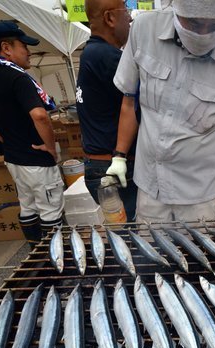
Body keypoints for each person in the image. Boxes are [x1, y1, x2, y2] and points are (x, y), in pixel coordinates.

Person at [106, 0, 215, 222]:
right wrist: (120, 156)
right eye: (194, 23)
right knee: (152, 252)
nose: (203, 34)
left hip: (199, 195)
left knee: (195, 256)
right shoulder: (144, 30)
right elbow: (130, 100)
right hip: (151, 184)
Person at [0, 21, 64, 248]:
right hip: (36, 158)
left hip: (14, 158)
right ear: (6, 48)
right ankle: (57, 258)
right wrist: (50, 147)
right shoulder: (19, 78)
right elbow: (40, 116)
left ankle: (36, 251)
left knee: (27, 205)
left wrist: (5, 139)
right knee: (50, 208)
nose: (29, 52)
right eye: (24, 46)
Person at [75, 0, 137, 221]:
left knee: (126, 234)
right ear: (110, 18)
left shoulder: (91, 53)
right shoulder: (108, 57)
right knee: (137, 239)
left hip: (99, 164)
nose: (129, 18)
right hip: (115, 168)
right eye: (125, 11)